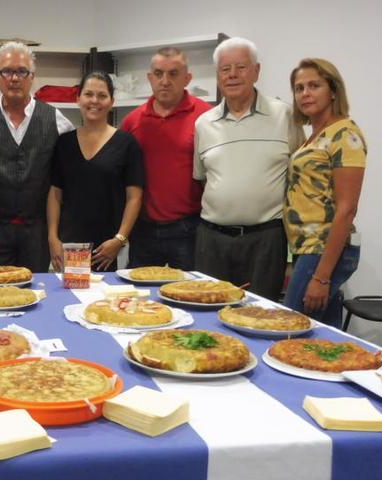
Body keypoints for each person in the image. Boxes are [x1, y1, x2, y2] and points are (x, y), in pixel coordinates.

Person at [193, 37, 303, 301]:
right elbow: (202, 178)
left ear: (256, 71)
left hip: (265, 240)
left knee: (260, 315)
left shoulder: (285, 116)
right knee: (209, 314)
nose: (232, 75)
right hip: (212, 240)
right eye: (225, 69)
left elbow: (299, 177)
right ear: (218, 75)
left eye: (241, 67)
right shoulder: (203, 123)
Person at [0, 41, 74, 272]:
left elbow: (69, 179)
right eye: (7, 71)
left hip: (37, 229)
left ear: (32, 76)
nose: (14, 78)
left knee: (34, 290)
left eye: (21, 71)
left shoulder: (57, 120)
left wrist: (60, 233)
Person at [283, 58, 367, 327]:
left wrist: (321, 277)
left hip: (322, 249)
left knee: (291, 329)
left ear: (333, 91)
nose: (305, 94)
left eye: (314, 85)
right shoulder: (315, 135)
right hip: (307, 248)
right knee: (323, 338)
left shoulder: (345, 134)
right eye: (299, 88)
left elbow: (347, 209)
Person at [121, 47, 212, 270]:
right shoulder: (132, 121)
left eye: (173, 73)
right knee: (140, 299)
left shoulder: (206, 117)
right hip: (143, 230)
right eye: (159, 73)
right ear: (149, 78)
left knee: (190, 295)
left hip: (189, 228)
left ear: (187, 78)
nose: (165, 81)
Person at [47, 72, 144, 272]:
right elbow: (55, 194)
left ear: (111, 101)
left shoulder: (127, 144)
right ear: (78, 99)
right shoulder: (64, 143)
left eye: (102, 95)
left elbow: (134, 198)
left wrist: (119, 240)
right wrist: (53, 237)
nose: (94, 101)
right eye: (88, 94)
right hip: (70, 247)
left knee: (106, 301)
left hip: (108, 250)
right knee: (70, 298)